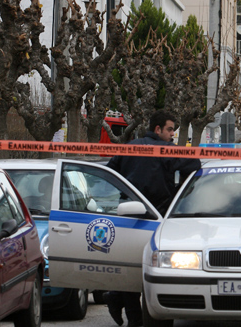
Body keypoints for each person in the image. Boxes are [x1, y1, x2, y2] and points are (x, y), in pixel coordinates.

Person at [103, 110, 201, 327]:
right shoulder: (166, 150)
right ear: (157, 129)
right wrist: (177, 193)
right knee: (151, 267)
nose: (172, 135)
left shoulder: (129, 148)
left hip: (128, 215)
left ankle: (129, 312)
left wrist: (123, 194)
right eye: (169, 130)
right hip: (158, 217)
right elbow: (194, 165)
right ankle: (130, 312)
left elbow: (109, 175)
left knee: (130, 265)